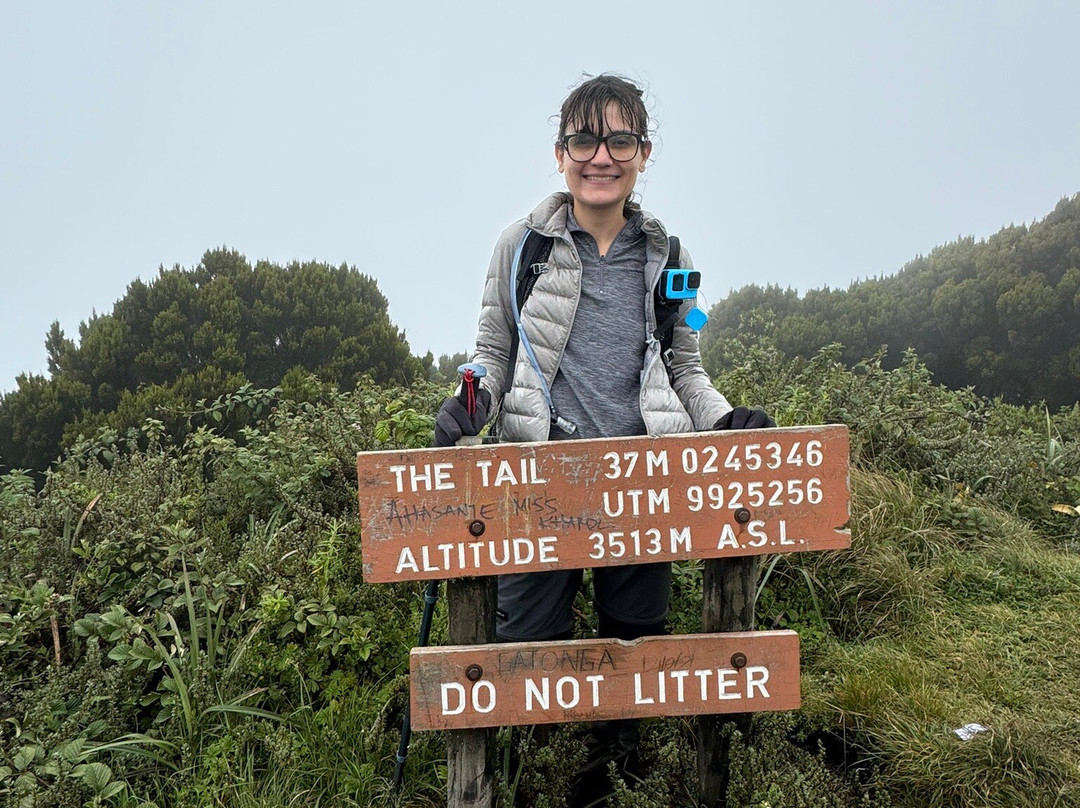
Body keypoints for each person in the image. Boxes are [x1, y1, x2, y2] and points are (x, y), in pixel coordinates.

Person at [433, 72, 774, 799]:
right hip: (535, 482)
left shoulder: (670, 257)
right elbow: (491, 349)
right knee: (526, 647)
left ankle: (616, 771)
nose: (601, 155)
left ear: (644, 152)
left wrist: (722, 420)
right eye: (585, 138)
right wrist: (472, 401)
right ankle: (537, 772)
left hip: (641, 484)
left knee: (634, 639)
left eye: (620, 139)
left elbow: (686, 362)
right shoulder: (519, 247)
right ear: (560, 152)